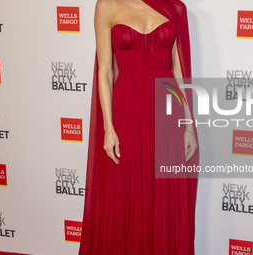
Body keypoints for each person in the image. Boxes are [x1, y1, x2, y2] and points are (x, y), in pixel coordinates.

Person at [78, 0, 199, 254]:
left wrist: (188, 125)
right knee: (127, 196)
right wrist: (108, 128)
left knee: (164, 199)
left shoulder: (176, 8)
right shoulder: (107, 6)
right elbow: (105, 71)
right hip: (127, 112)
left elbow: (179, 72)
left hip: (167, 114)